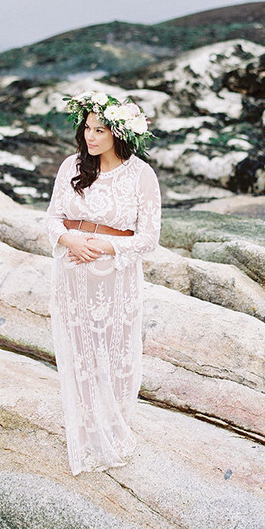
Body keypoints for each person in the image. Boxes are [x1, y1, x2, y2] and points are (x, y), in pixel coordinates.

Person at [46, 91, 161, 475]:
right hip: (71, 270)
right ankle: (86, 429)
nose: (90, 137)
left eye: (100, 130)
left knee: (116, 351)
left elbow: (148, 238)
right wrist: (70, 240)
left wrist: (104, 246)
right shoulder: (71, 166)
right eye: (87, 128)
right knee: (79, 349)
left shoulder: (141, 175)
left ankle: (114, 427)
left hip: (114, 275)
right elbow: (51, 219)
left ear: (119, 133)